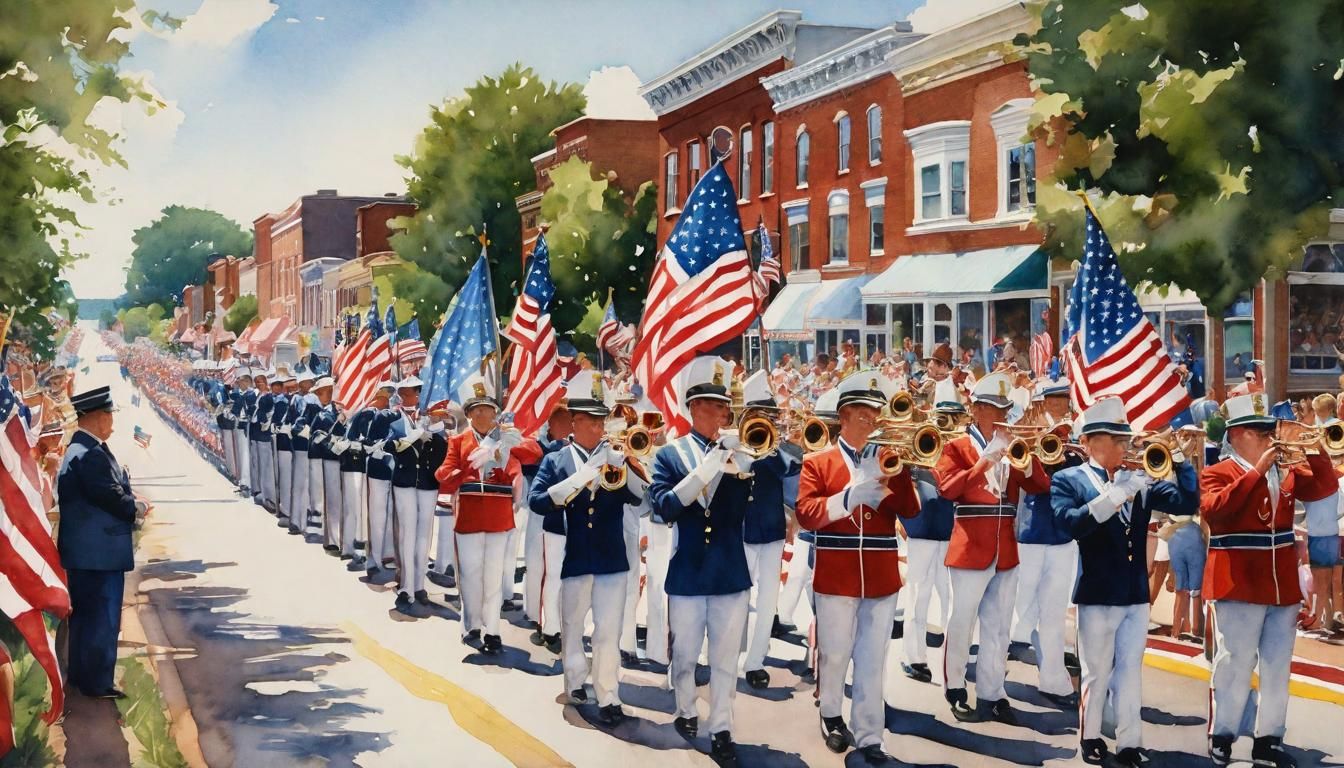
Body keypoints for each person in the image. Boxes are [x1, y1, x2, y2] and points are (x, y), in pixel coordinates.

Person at [1052, 396, 1199, 767]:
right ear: (1089, 442)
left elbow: (1188, 502)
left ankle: (1130, 742)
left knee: (1131, 671)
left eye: (1124, 439)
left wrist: (1178, 458)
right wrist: (1117, 494)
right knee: (1096, 672)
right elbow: (1072, 524)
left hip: (1135, 592)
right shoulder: (1069, 479)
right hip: (1098, 591)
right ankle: (1090, 736)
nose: (1124, 446)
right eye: (1115, 439)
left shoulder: (1141, 480)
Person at [1201, 393, 1337, 767]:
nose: (1270, 437)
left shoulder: (1285, 470)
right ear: (1237, 435)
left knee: (1278, 667)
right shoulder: (1218, 472)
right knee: (1234, 664)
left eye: (1270, 430)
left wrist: (1312, 446)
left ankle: (1269, 739)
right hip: (1238, 585)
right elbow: (1215, 511)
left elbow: (1325, 487)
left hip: (1281, 586)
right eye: (1261, 432)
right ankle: (1222, 735)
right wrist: (1257, 471)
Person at [796, 370, 919, 762]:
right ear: (844, 416)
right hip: (837, 572)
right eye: (863, 412)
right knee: (834, 654)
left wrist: (898, 474)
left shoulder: (888, 458)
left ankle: (869, 733)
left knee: (872, 658)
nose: (872, 419)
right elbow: (806, 513)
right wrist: (850, 498)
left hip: (880, 574)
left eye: (875, 413)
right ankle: (831, 714)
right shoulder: (818, 461)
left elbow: (911, 510)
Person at [648, 356, 753, 764]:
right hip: (689, 571)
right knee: (686, 654)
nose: (722, 413)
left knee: (726, 659)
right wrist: (706, 470)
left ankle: (722, 726)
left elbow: (747, 508)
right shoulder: (670, 455)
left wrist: (742, 463)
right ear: (694, 408)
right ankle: (686, 708)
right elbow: (665, 508)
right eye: (713, 406)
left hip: (728, 571)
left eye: (724, 406)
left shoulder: (739, 453)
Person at [529, 371, 643, 725]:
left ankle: (609, 696)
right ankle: (575, 681)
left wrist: (628, 465)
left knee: (608, 631)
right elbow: (537, 501)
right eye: (592, 421)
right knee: (572, 625)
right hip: (577, 556)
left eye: (601, 421)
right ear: (575, 422)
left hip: (611, 558)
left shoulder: (615, 456)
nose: (599, 428)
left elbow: (642, 500)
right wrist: (584, 475)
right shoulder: (556, 460)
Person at [935, 371, 1049, 724]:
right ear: (977, 409)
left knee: (999, 627)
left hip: (1004, 549)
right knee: (962, 622)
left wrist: (1025, 459)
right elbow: (948, 489)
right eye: (994, 408)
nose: (1002, 416)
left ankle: (992, 692)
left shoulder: (1012, 445)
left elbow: (1041, 486)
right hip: (970, 546)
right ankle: (955, 688)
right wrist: (986, 459)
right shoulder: (957, 447)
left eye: (1004, 409)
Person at [58, 386, 147, 698]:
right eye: (109, 416)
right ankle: (96, 684)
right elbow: (110, 497)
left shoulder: (82, 449)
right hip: (98, 554)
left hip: (88, 552)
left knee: (86, 618)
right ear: (97, 417)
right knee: (102, 619)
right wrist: (137, 507)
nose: (112, 422)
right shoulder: (91, 454)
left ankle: (82, 678)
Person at [436, 374, 525, 655]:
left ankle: (493, 631)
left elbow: (519, 468)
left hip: (498, 517)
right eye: (477, 411)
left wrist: (503, 456)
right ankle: (471, 625)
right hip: (470, 516)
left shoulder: (504, 440)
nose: (483, 415)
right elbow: (443, 474)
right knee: (470, 575)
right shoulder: (458, 441)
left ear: (495, 414)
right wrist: (467, 470)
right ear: (469, 415)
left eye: (487, 410)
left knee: (493, 577)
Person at [1010, 377, 1080, 706]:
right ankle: (992, 671)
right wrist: (1037, 441)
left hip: (1061, 536)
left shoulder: (1072, 438)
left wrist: (1070, 451)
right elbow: (1022, 476)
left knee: (1052, 613)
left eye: (1063, 400)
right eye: (1053, 400)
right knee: (1017, 608)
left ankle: (1054, 681)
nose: (1059, 405)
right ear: (1041, 404)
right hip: (1031, 533)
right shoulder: (1026, 434)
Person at [737, 370, 801, 690]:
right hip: (741, 529)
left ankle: (755, 660)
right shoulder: (733, 443)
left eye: (770, 413)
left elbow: (787, 469)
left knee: (767, 600)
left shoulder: (777, 447)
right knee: (737, 598)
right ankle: (728, 652)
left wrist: (772, 444)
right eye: (761, 412)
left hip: (772, 529)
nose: (767, 418)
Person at [901, 378, 959, 684]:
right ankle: (914, 657)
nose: (947, 424)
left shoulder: (961, 449)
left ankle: (952, 656)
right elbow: (901, 479)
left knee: (950, 597)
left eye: (953, 418)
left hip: (949, 530)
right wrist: (902, 519)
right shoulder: (920, 439)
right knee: (918, 595)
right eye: (943, 417)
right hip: (922, 529)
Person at [385, 377, 448, 612]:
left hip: (428, 481)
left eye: (408, 393)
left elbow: (443, 452)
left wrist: (435, 432)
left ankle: (419, 585)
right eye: (402, 393)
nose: (404, 397)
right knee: (407, 535)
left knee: (424, 536)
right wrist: (411, 437)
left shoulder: (434, 420)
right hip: (405, 480)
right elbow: (389, 446)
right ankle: (406, 587)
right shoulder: (397, 420)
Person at [522, 404, 571, 645]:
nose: (568, 427)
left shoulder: (575, 447)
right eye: (563, 422)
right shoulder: (537, 445)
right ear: (551, 424)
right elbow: (528, 464)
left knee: (561, 574)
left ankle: (557, 623)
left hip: (566, 517)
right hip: (540, 513)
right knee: (538, 568)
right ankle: (540, 620)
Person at [1305, 393, 1343, 631]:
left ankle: (1325, 618)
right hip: (1331, 529)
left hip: (1325, 530)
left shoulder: (1330, 429)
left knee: (1324, 578)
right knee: (1332, 578)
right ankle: (1331, 617)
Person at [353, 382, 398, 573]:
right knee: (376, 514)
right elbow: (358, 437)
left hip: (397, 470)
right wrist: (374, 446)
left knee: (392, 514)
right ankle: (372, 557)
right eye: (386, 394)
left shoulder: (398, 415)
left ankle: (389, 554)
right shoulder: (369, 414)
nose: (388, 398)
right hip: (375, 467)